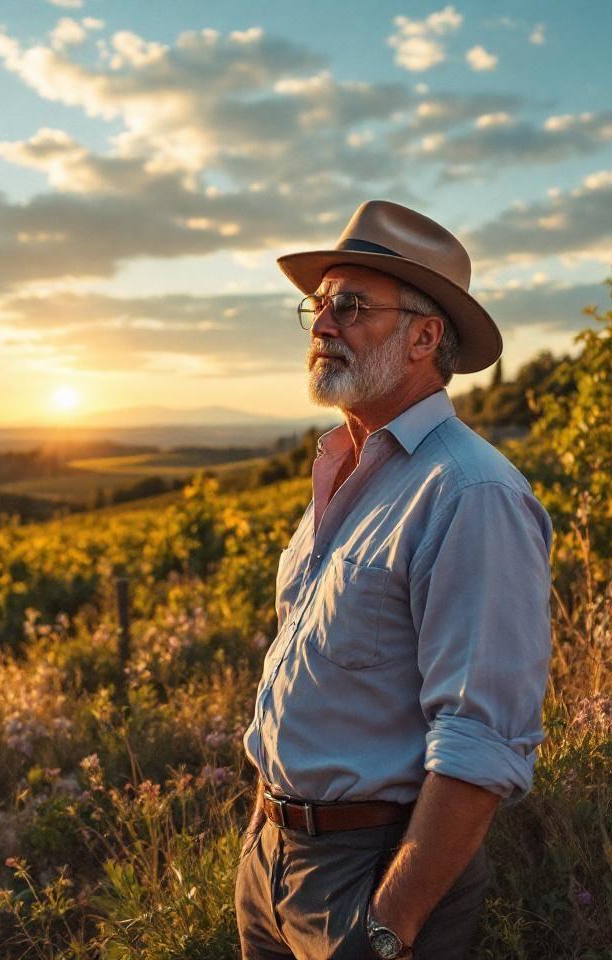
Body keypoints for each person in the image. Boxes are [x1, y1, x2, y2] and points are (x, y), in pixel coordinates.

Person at [234, 200, 554, 959]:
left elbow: (481, 740)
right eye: (318, 305)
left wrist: (387, 926)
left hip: (371, 877)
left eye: (350, 305)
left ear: (424, 336)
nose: (322, 324)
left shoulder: (471, 492)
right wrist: (262, 834)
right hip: (274, 866)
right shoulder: (343, 473)